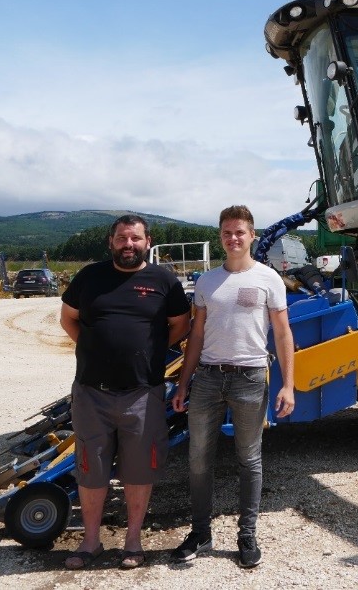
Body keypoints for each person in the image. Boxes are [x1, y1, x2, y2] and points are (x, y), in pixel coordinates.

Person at [59, 214, 192, 570]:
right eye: (121, 238)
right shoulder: (90, 277)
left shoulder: (164, 280)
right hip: (91, 392)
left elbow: (181, 324)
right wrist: (91, 347)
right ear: (111, 242)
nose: (128, 245)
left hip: (142, 393)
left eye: (135, 239)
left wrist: (149, 352)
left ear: (148, 242)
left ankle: (133, 540)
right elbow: (68, 317)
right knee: (91, 469)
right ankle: (91, 541)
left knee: (139, 469)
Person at [171, 205, 295, 569]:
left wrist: (289, 385)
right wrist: (183, 383)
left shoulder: (269, 279)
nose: (233, 238)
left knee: (249, 458)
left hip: (251, 378)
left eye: (239, 232)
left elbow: (284, 333)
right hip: (208, 378)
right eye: (227, 232)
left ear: (252, 235)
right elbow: (196, 336)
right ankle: (200, 532)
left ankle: (247, 533)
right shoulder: (207, 282)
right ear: (220, 236)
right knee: (198, 458)